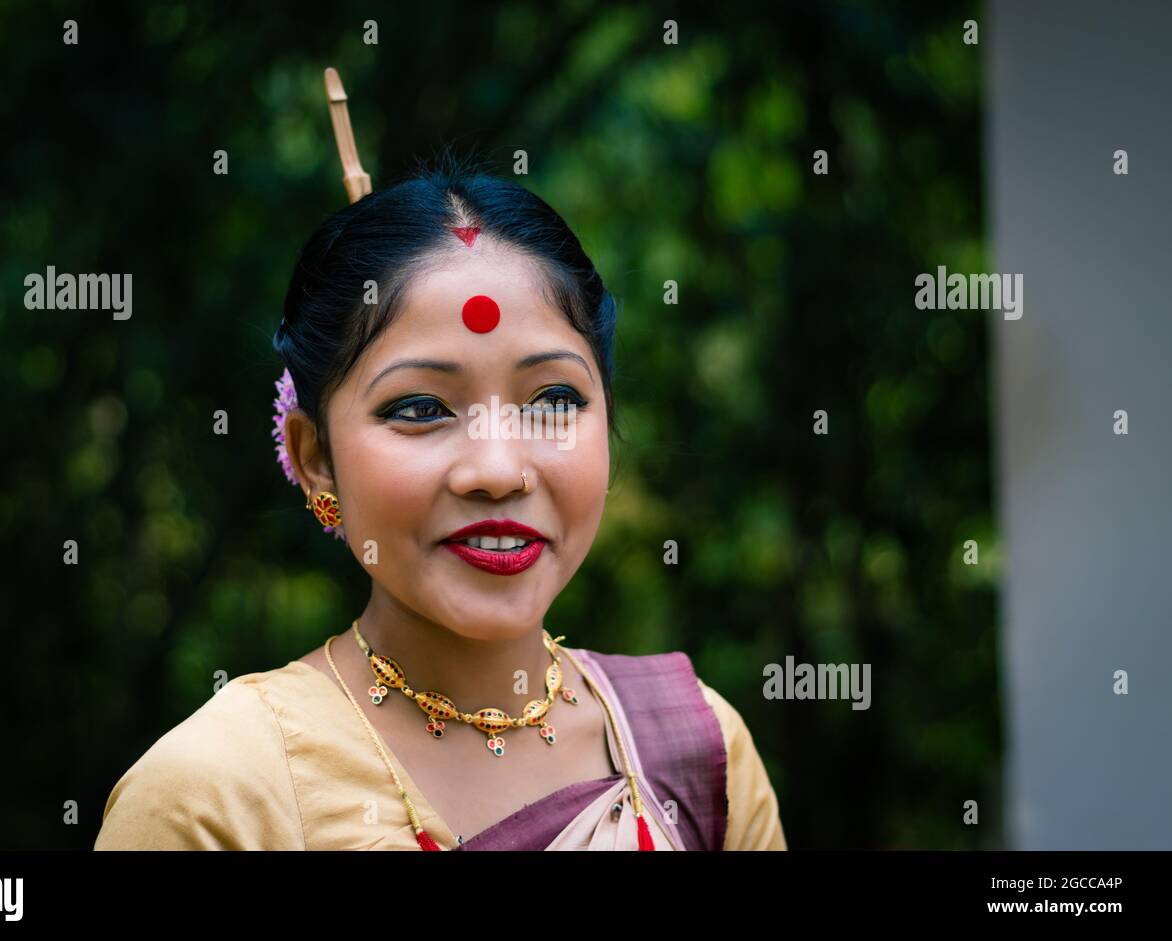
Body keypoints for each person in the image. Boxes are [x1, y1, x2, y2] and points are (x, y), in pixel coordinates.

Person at [94, 154, 786, 851]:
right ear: (313, 456)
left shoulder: (698, 753)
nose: (496, 469)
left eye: (552, 400)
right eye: (421, 407)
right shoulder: (216, 795)